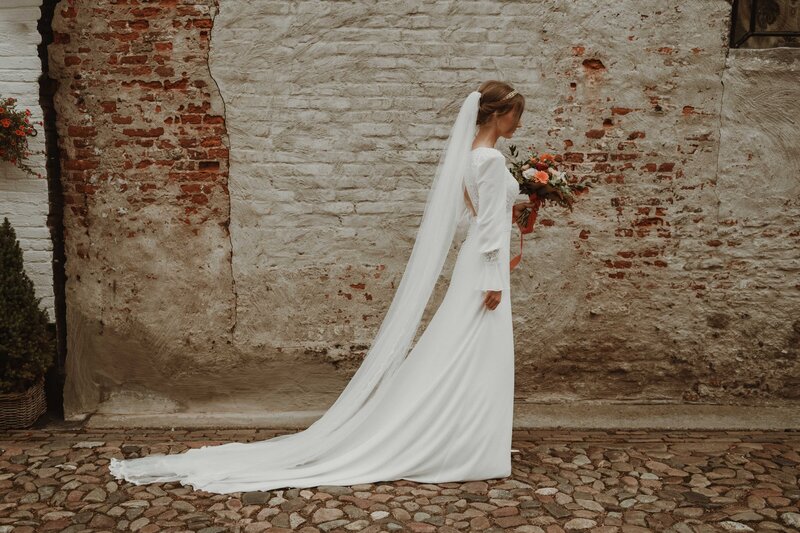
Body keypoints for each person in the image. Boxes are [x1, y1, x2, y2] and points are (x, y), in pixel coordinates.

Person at [109, 80, 536, 494]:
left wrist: (521, 204)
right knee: (477, 349)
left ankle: (463, 437)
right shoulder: (492, 161)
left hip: (474, 261)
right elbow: (490, 228)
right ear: (498, 113)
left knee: (465, 347)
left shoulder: (469, 156)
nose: (518, 122)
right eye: (515, 114)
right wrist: (494, 279)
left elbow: (471, 218)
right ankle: (465, 443)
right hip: (484, 267)